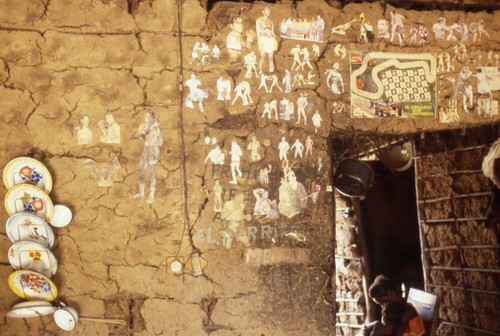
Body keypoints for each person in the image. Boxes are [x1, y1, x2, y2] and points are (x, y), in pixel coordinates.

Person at [361, 275, 425, 336]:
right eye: (380, 304)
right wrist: (369, 327)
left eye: (384, 302)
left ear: (390, 293)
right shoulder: (393, 308)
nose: (383, 306)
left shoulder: (408, 311)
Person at [133, 109, 163, 204]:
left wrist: (155, 142)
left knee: (151, 173)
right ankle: (141, 192)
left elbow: (160, 140)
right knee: (141, 170)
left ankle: (151, 196)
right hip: (146, 149)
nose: (147, 118)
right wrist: (142, 135)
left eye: (149, 117)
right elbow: (141, 134)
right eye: (146, 116)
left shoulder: (156, 126)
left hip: (153, 150)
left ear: (152, 117)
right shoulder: (144, 126)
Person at [256, 7, 277, 73]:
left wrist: (274, 40)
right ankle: (260, 70)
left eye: (269, 12)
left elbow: (273, 32)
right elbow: (258, 31)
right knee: (262, 56)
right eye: (266, 11)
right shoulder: (259, 20)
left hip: (270, 40)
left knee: (270, 56)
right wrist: (259, 40)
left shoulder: (271, 22)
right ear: (263, 11)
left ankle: (271, 70)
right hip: (263, 39)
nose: (267, 13)